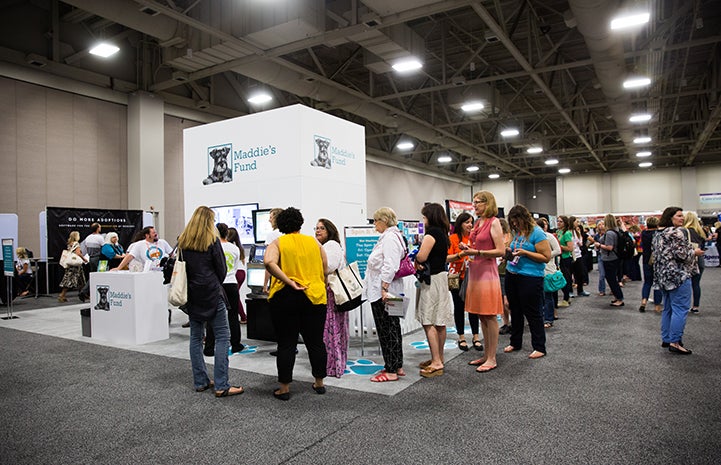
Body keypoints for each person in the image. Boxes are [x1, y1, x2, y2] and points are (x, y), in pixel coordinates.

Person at [178, 206, 243, 397]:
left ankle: (200, 381)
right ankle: (222, 385)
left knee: (196, 338)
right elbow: (221, 269)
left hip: (193, 295)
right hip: (212, 293)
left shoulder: (183, 241)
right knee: (223, 336)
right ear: (209, 222)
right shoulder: (212, 241)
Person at [264, 207, 328, 400]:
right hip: (314, 296)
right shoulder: (314, 243)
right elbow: (325, 268)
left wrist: (289, 281)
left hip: (285, 296)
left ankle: (284, 388)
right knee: (315, 342)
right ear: (300, 222)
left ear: (281, 224)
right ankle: (319, 383)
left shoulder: (278, 242)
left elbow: (269, 263)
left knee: (286, 343)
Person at [461, 191, 505, 373]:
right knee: (481, 315)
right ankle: (487, 354)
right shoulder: (479, 223)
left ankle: (492, 357)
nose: (475, 205)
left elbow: (501, 250)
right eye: (474, 202)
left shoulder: (494, 222)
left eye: (478, 202)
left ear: (488, 204)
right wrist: (469, 249)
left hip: (487, 273)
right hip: (476, 272)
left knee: (490, 316)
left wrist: (477, 252)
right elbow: (477, 247)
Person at [653, 207, 703, 355]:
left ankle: (667, 338)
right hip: (678, 276)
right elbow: (682, 255)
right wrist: (695, 252)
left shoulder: (658, 233)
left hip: (663, 276)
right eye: (679, 216)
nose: (682, 218)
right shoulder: (675, 232)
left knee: (668, 308)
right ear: (671, 217)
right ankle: (675, 342)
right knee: (680, 309)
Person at [503, 205, 551, 360]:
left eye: (517, 221)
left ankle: (539, 346)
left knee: (533, 312)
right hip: (512, 274)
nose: (515, 224)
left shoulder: (537, 233)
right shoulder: (516, 233)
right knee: (514, 309)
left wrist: (525, 253)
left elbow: (546, 257)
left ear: (524, 218)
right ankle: (515, 342)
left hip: (530, 277)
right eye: (512, 222)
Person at [365, 207, 406, 382]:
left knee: (386, 329)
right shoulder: (394, 236)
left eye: (376, 221)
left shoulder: (389, 238)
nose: (374, 224)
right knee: (393, 327)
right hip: (390, 289)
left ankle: (391, 369)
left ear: (383, 220)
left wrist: (383, 288)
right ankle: (396, 364)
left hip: (384, 291)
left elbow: (390, 264)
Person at [414, 203, 452, 378]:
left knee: (429, 320)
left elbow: (421, 256)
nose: (423, 220)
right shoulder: (444, 234)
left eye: (424, 217)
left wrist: (416, 256)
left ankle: (436, 360)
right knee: (439, 321)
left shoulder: (431, 234)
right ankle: (439, 358)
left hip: (432, 281)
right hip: (441, 279)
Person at [315, 218, 349, 378]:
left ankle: (333, 365)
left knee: (331, 329)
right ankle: (335, 363)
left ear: (329, 230)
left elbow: (328, 267)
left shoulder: (331, 246)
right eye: (316, 228)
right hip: (330, 293)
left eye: (322, 228)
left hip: (331, 293)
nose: (318, 231)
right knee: (333, 330)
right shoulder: (326, 246)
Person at [203, 223, 244, 355]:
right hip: (231, 283)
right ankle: (236, 344)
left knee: (212, 315)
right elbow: (235, 267)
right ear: (227, 233)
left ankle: (209, 347)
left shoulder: (212, 247)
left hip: (217, 284)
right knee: (233, 315)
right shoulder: (235, 248)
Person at [446, 212, 481, 351]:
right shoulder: (453, 238)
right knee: (459, 307)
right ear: (460, 223)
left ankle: (476, 336)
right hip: (457, 277)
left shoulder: (475, 239)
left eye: (471, 222)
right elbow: (448, 258)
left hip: (473, 277)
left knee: (473, 308)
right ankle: (461, 336)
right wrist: (461, 254)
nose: (470, 225)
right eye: (467, 222)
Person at [537, 218, 562, 328]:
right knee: (540, 296)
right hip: (537, 269)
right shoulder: (534, 237)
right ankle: (541, 317)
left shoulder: (549, 237)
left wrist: (546, 256)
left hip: (548, 269)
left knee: (547, 295)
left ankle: (548, 319)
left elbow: (558, 250)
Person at [598, 214, 625, 307]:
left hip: (610, 259)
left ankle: (619, 298)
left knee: (611, 279)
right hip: (614, 258)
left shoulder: (609, 233)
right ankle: (617, 297)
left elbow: (609, 247)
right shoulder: (616, 231)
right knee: (612, 278)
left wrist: (599, 245)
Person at [683, 211, 707, 314]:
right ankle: (695, 306)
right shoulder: (700, 231)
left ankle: (684, 305)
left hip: (689, 259)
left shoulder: (684, 231)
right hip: (700, 259)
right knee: (696, 284)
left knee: (685, 283)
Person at [639, 217, 662, 313]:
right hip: (656, 261)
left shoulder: (643, 233)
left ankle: (644, 301)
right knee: (657, 283)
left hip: (646, 260)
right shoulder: (658, 234)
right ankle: (657, 306)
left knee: (647, 282)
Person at [58, 231, 88, 303]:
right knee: (70, 280)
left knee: (81, 280)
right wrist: (84, 259)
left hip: (71, 264)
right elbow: (78, 253)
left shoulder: (69, 244)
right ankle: (62, 295)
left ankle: (84, 294)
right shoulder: (76, 244)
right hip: (75, 265)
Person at [227, 227, 248, 323]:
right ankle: (243, 316)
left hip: (235, 273)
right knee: (235, 296)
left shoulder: (229, 247)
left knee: (234, 297)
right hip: (242, 273)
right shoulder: (239, 247)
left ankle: (244, 317)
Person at [262, 208, 284, 293]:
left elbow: (269, 262)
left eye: (271, 218)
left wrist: (265, 286)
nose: (269, 220)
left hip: (277, 279)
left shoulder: (272, 236)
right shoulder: (289, 234)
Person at [497, 218, 513, 335]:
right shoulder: (495, 238)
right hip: (497, 272)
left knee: (508, 301)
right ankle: (506, 323)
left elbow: (513, 254)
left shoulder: (509, 237)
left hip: (508, 271)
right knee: (502, 302)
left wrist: (505, 257)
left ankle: (514, 321)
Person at [569, 216, 590, 297]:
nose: (577, 223)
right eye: (576, 222)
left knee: (580, 274)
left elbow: (580, 243)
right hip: (570, 255)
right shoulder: (567, 232)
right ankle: (570, 291)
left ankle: (580, 291)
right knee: (569, 275)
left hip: (578, 255)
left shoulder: (576, 232)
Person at [556, 215, 573, 307]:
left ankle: (566, 298)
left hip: (565, 258)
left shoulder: (567, 233)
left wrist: (558, 246)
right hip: (559, 258)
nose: (558, 223)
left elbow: (570, 248)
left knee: (565, 279)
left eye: (561, 221)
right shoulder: (558, 232)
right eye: (558, 221)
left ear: (565, 223)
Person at [587, 221, 607, 296]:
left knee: (610, 275)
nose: (601, 226)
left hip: (609, 256)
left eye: (602, 224)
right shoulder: (597, 236)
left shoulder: (608, 234)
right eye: (599, 225)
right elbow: (594, 244)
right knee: (602, 274)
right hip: (600, 255)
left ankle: (613, 288)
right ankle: (602, 290)